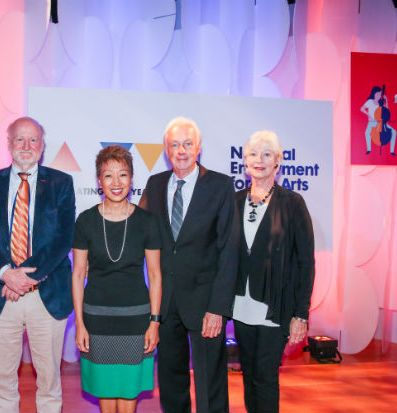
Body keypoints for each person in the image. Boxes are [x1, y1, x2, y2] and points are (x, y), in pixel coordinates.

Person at [0, 116, 75, 413]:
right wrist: (7, 275)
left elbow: (62, 238)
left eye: (33, 140)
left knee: (49, 381)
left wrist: (25, 278)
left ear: (42, 147)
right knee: (3, 381)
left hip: (47, 295)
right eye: (20, 139)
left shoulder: (61, 183)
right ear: (9, 144)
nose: (26, 146)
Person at [139, 117, 238, 413]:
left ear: (198, 147)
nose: (181, 151)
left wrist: (218, 308)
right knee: (170, 380)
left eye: (187, 144)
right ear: (166, 149)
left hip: (206, 303)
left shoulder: (220, 185)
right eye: (174, 145)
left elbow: (229, 250)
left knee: (210, 383)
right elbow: (138, 232)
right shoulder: (155, 185)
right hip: (166, 303)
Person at [72, 145, 162, 413]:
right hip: (96, 320)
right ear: (99, 180)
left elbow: (155, 275)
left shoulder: (147, 222)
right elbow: (77, 275)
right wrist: (79, 324)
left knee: (128, 392)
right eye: (108, 175)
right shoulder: (85, 221)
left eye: (122, 174)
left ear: (132, 179)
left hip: (136, 320)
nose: (116, 182)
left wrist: (154, 323)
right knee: (105, 392)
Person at [233, 130, 315, 413]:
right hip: (241, 306)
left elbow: (306, 263)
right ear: (245, 162)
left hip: (275, 307)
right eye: (254, 154)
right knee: (249, 377)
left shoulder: (293, 203)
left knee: (265, 378)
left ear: (278, 162)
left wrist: (301, 314)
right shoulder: (234, 201)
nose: (260, 160)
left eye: (267, 155)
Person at [360, 86, 396, 155]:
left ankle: (391, 151)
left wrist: (386, 101)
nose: (379, 96)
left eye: (380, 95)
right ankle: (369, 149)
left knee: (394, 131)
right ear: (374, 94)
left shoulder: (381, 103)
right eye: (377, 94)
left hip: (380, 122)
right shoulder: (370, 101)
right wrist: (369, 115)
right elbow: (362, 109)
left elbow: (386, 111)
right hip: (371, 122)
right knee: (367, 133)